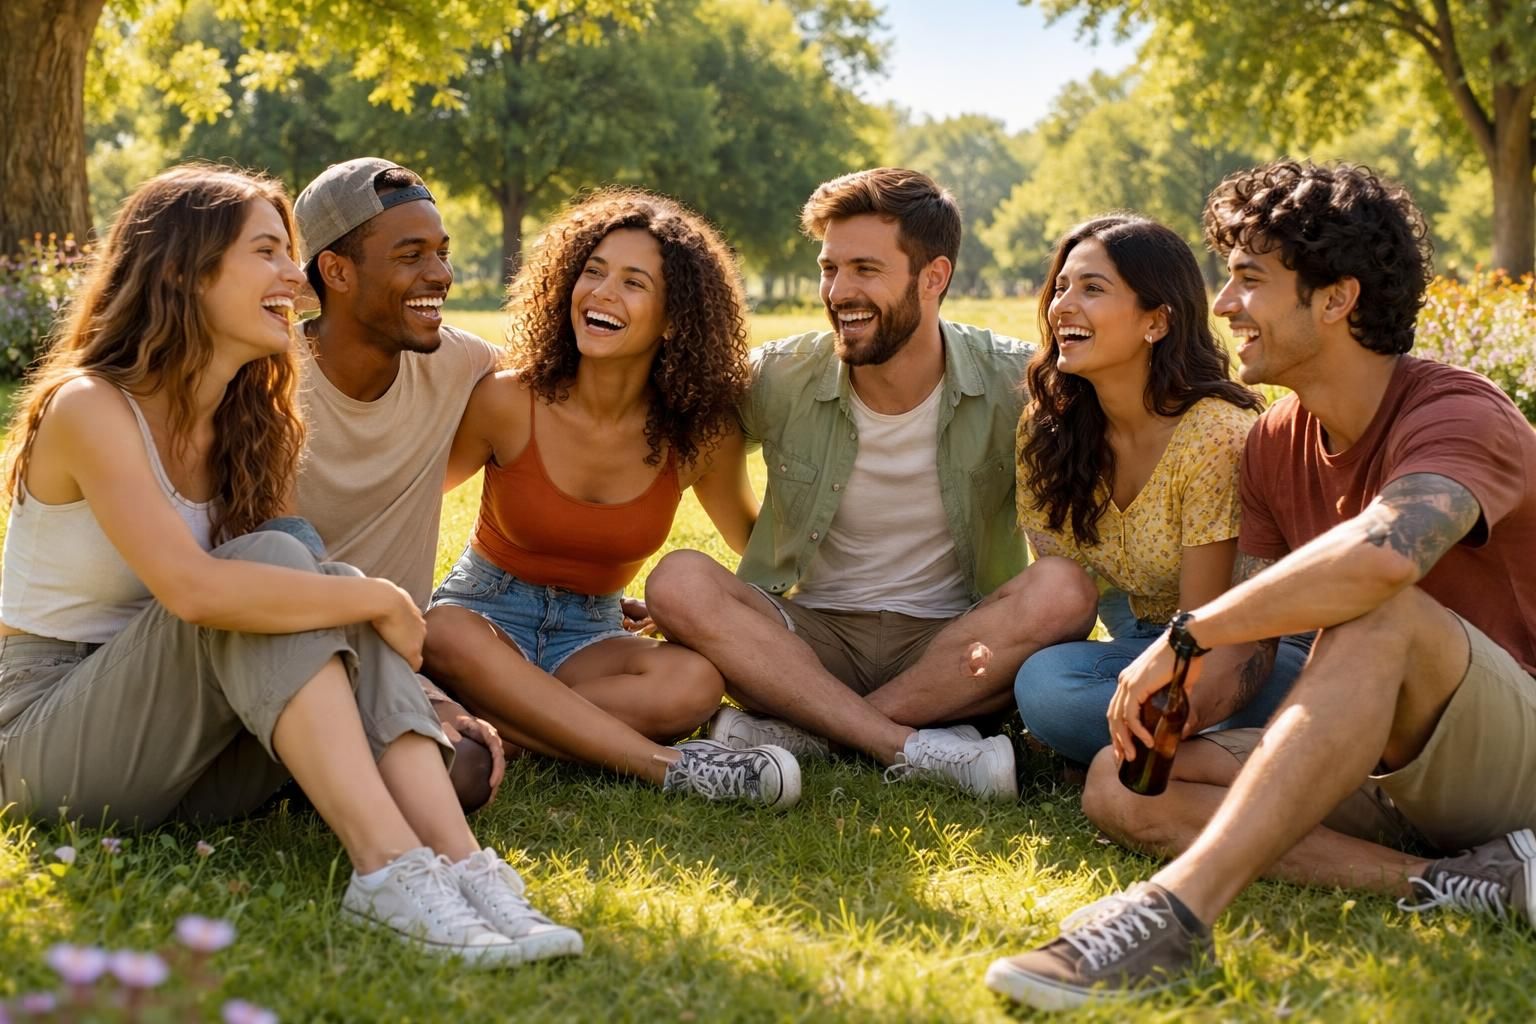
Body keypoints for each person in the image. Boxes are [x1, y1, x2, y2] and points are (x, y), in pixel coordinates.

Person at [986, 161, 1536, 1010]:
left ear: (1336, 299)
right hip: (1378, 765)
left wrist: (1187, 633)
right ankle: (1462, 883)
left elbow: (1383, 559)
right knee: (1119, 783)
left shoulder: (1458, 413)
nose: (1223, 305)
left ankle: (1173, 917)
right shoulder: (1275, 443)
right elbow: (1249, 659)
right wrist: (1183, 697)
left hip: (1508, 749)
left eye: (1249, 280)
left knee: (1377, 613)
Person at [0, 165, 581, 967]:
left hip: (193, 756)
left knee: (304, 571)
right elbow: (194, 591)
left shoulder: (251, 416)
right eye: (268, 253)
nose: (295, 280)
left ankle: (465, 867)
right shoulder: (91, 406)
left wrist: (387, 642)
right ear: (184, 270)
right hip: (52, 745)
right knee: (294, 571)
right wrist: (377, 600)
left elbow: (288, 586)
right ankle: (386, 870)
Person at [644, 167, 1101, 801]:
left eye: (865, 269)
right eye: (830, 269)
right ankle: (909, 744)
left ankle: (815, 730)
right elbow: (676, 446)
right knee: (678, 580)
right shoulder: (781, 375)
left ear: (933, 277)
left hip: (953, 646)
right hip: (809, 640)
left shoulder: (1013, 382)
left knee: (1066, 589)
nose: (839, 292)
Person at [420, 188, 801, 809]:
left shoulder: (699, 435)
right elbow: (414, 502)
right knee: (442, 631)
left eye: (632, 282)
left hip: (591, 636)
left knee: (694, 683)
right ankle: (668, 766)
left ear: (675, 318)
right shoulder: (507, 400)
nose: (601, 293)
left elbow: (760, 551)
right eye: (593, 272)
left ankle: (498, 727)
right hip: (483, 617)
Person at [1011, 214, 1303, 767]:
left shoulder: (1213, 434)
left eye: (1092, 288)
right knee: (1044, 683)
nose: (1062, 306)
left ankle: (1173, 751)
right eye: (1061, 287)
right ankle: (1189, 749)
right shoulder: (1049, 428)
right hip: (1144, 637)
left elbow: (1206, 627)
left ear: (1157, 321)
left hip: (1245, 651)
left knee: (1074, 699)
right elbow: (1063, 583)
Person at [291, 157, 505, 812]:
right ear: (336, 272)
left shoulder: (462, 362)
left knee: (466, 768)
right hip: (284, 641)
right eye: (411, 256)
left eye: (442, 252)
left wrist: (581, 586)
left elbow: (559, 407)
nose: (439, 274)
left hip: (391, 655)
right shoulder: (264, 383)